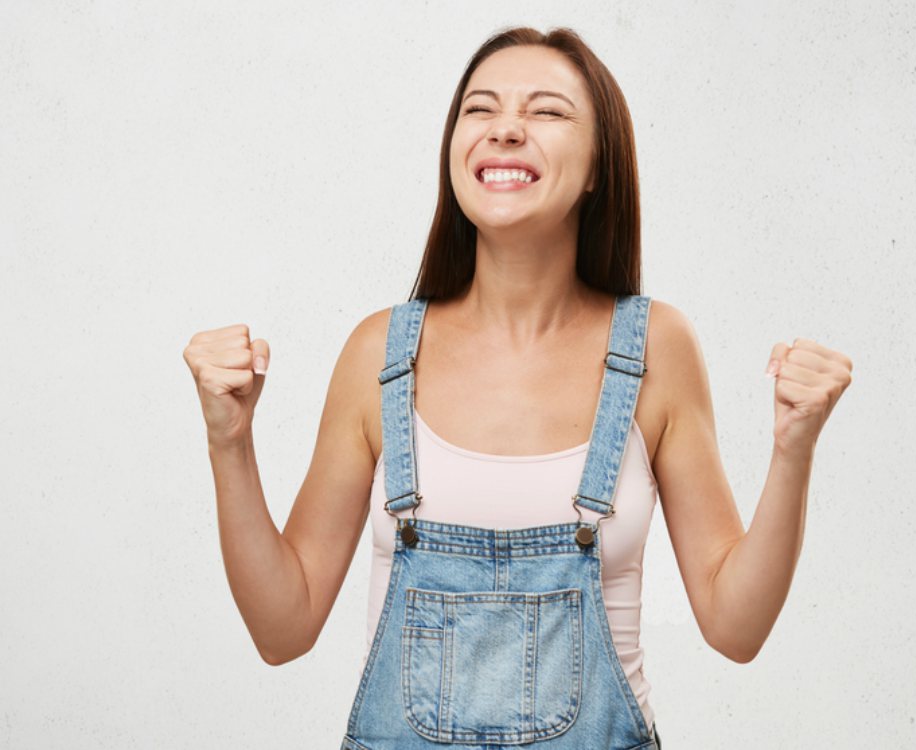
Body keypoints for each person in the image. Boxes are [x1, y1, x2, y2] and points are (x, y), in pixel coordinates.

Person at [182, 25, 853, 750]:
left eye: (547, 111)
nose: (505, 128)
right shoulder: (381, 353)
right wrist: (229, 441)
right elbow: (282, 630)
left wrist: (794, 447)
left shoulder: (657, 349)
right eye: (480, 108)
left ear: (598, 166)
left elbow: (735, 627)